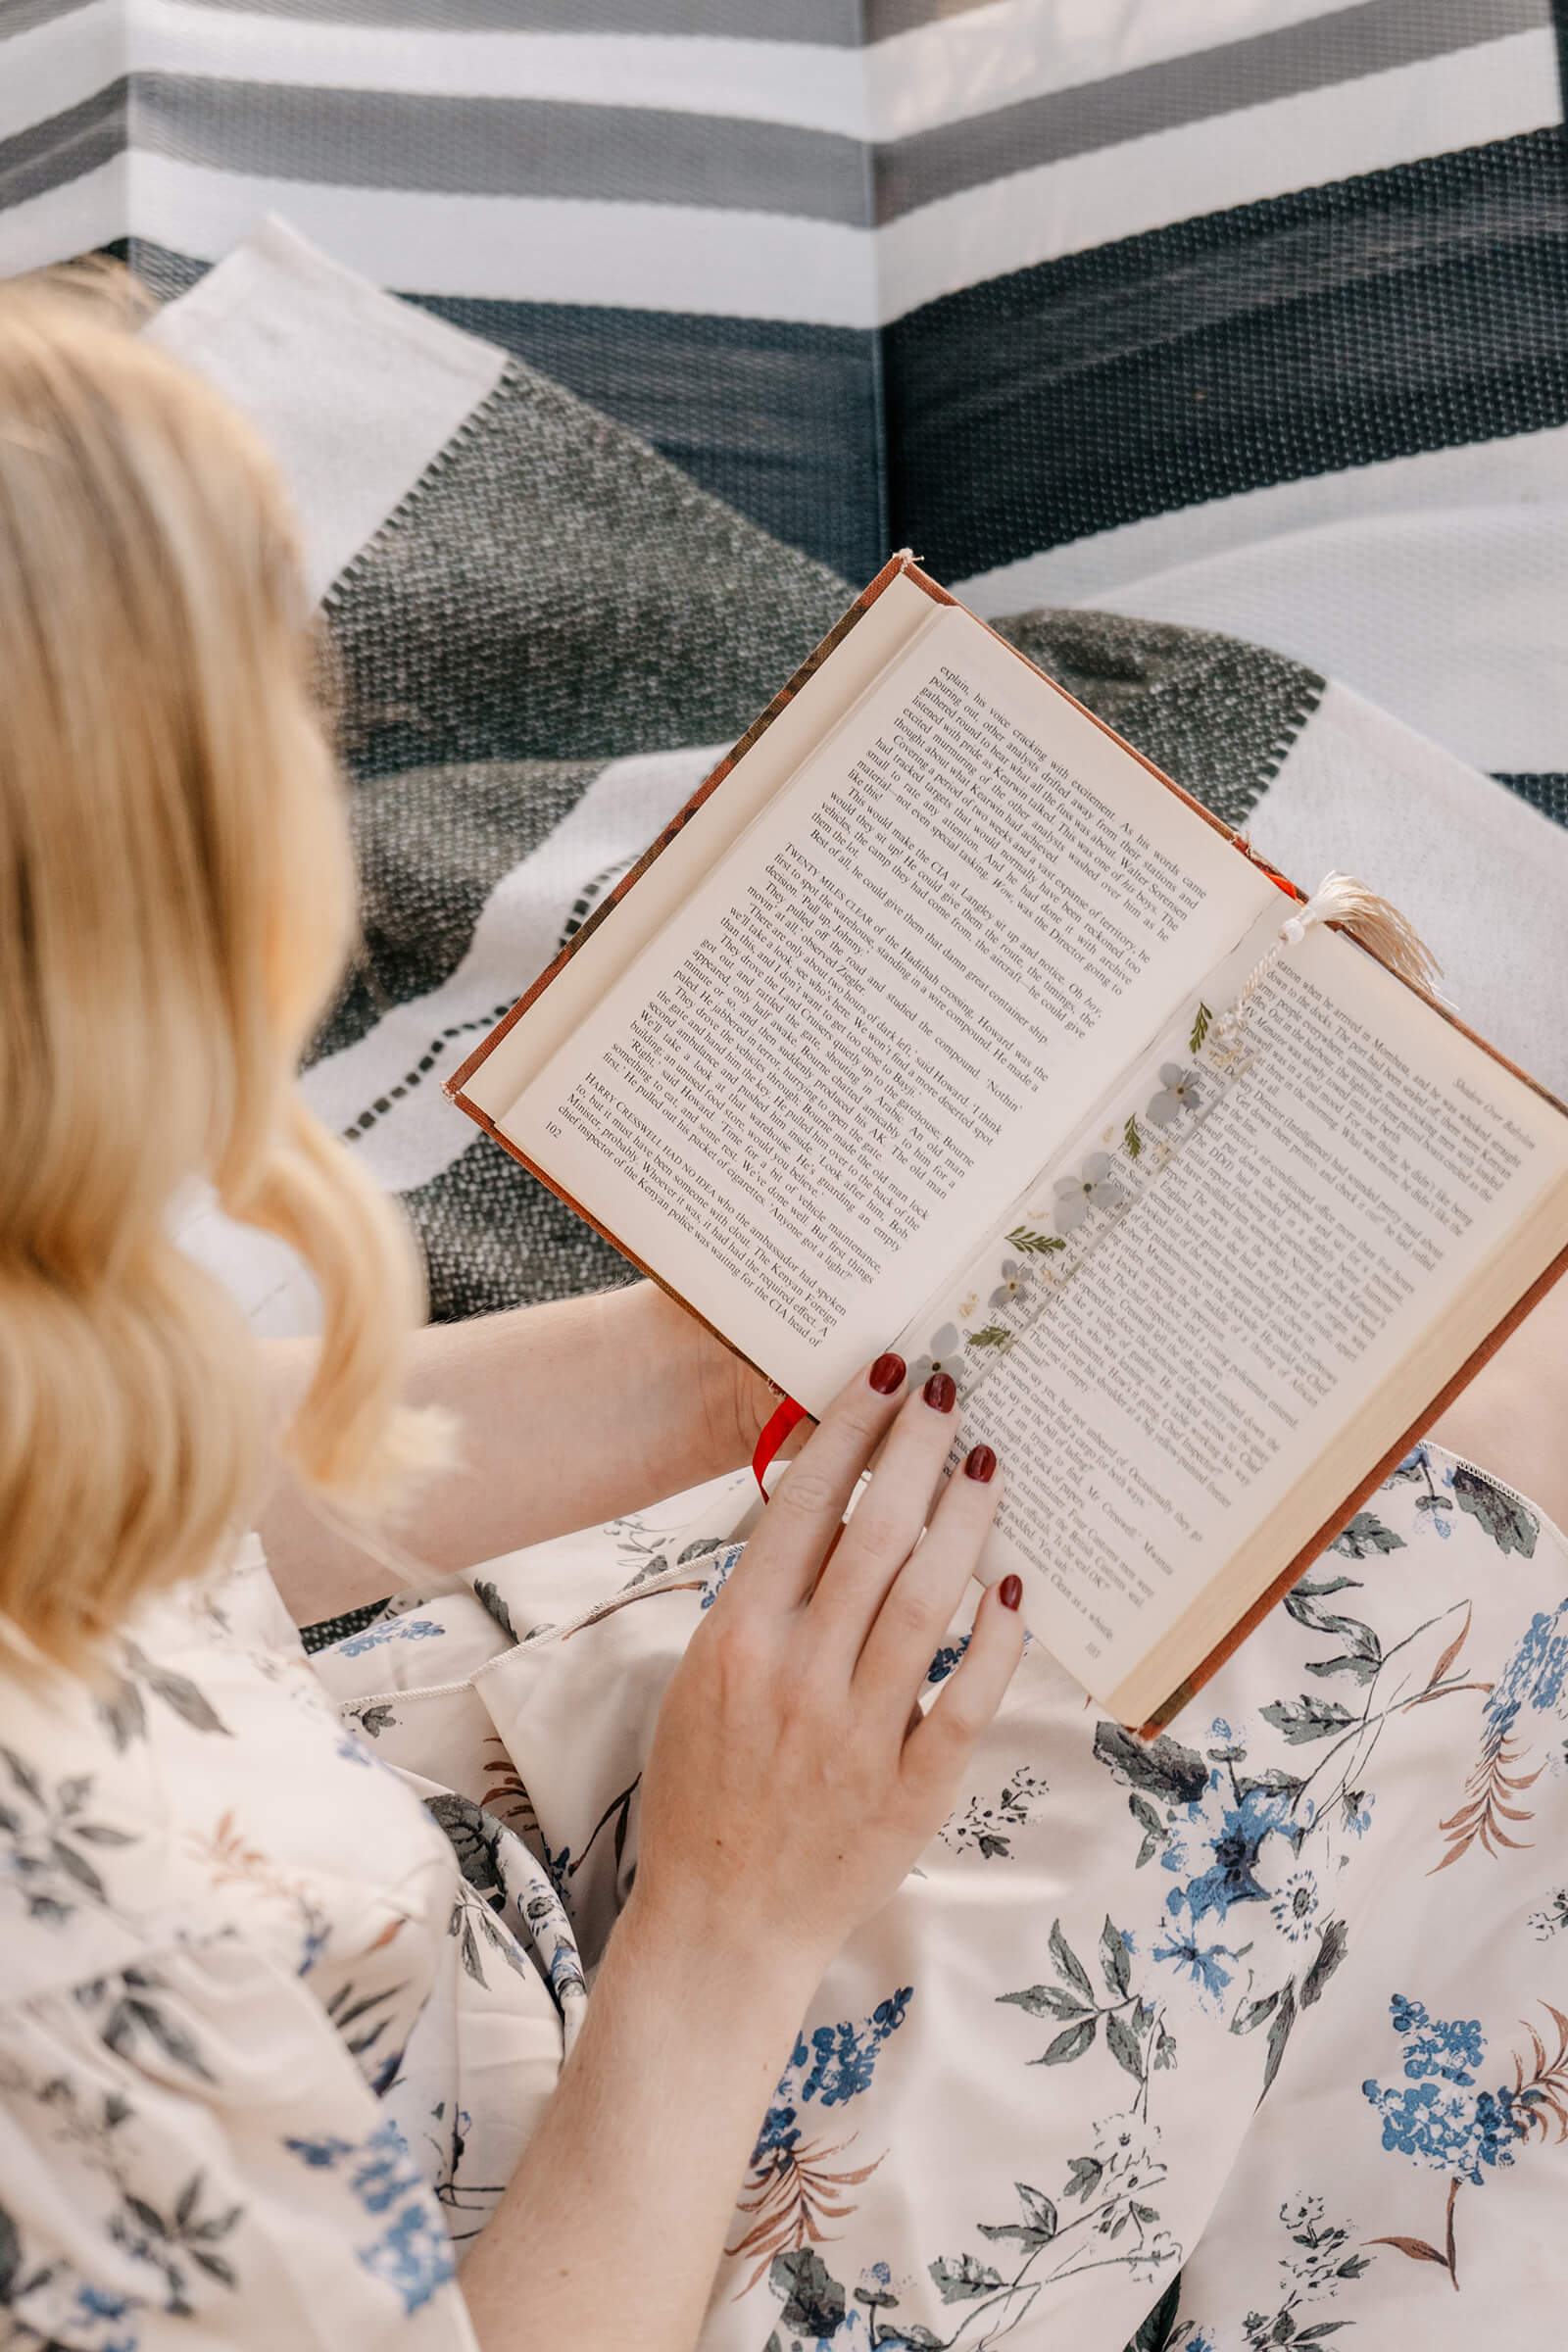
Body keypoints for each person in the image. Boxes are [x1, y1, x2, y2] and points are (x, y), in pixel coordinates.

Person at [3, 271, 1565, 2352]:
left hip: (419, 1884)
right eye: (277, 738)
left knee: (1371, 1396)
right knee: (1420, 1544)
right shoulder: (71, 1996)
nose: (327, 779)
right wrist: (730, 1926)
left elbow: (98, 1480)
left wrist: (688, 1368)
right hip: (601, 2205)